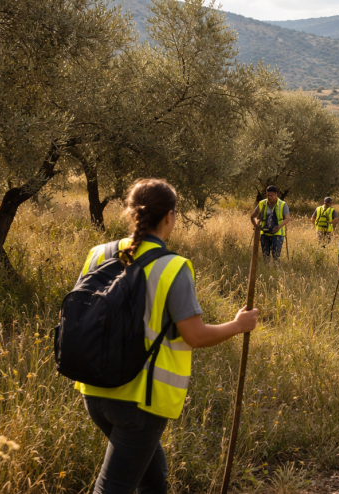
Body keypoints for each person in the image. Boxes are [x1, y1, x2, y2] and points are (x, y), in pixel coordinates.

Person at [74, 178, 259, 493]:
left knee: (153, 477)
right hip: (142, 401)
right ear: (170, 217)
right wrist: (238, 325)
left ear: (130, 212)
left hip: (94, 389)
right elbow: (196, 336)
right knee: (114, 487)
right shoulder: (172, 267)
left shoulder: (97, 253)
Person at [250, 185, 289, 262]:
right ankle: (267, 272)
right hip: (265, 234)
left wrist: (278, 227)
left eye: (271, 195)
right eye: (267, 195)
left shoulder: (283, 204)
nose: (269, 197)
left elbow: (287, 218)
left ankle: (276, 272)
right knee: (265, 257)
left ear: (276, 194)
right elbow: (252, 216)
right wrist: (256, 226)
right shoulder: (262, 203)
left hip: (277, 234)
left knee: (276, 257)